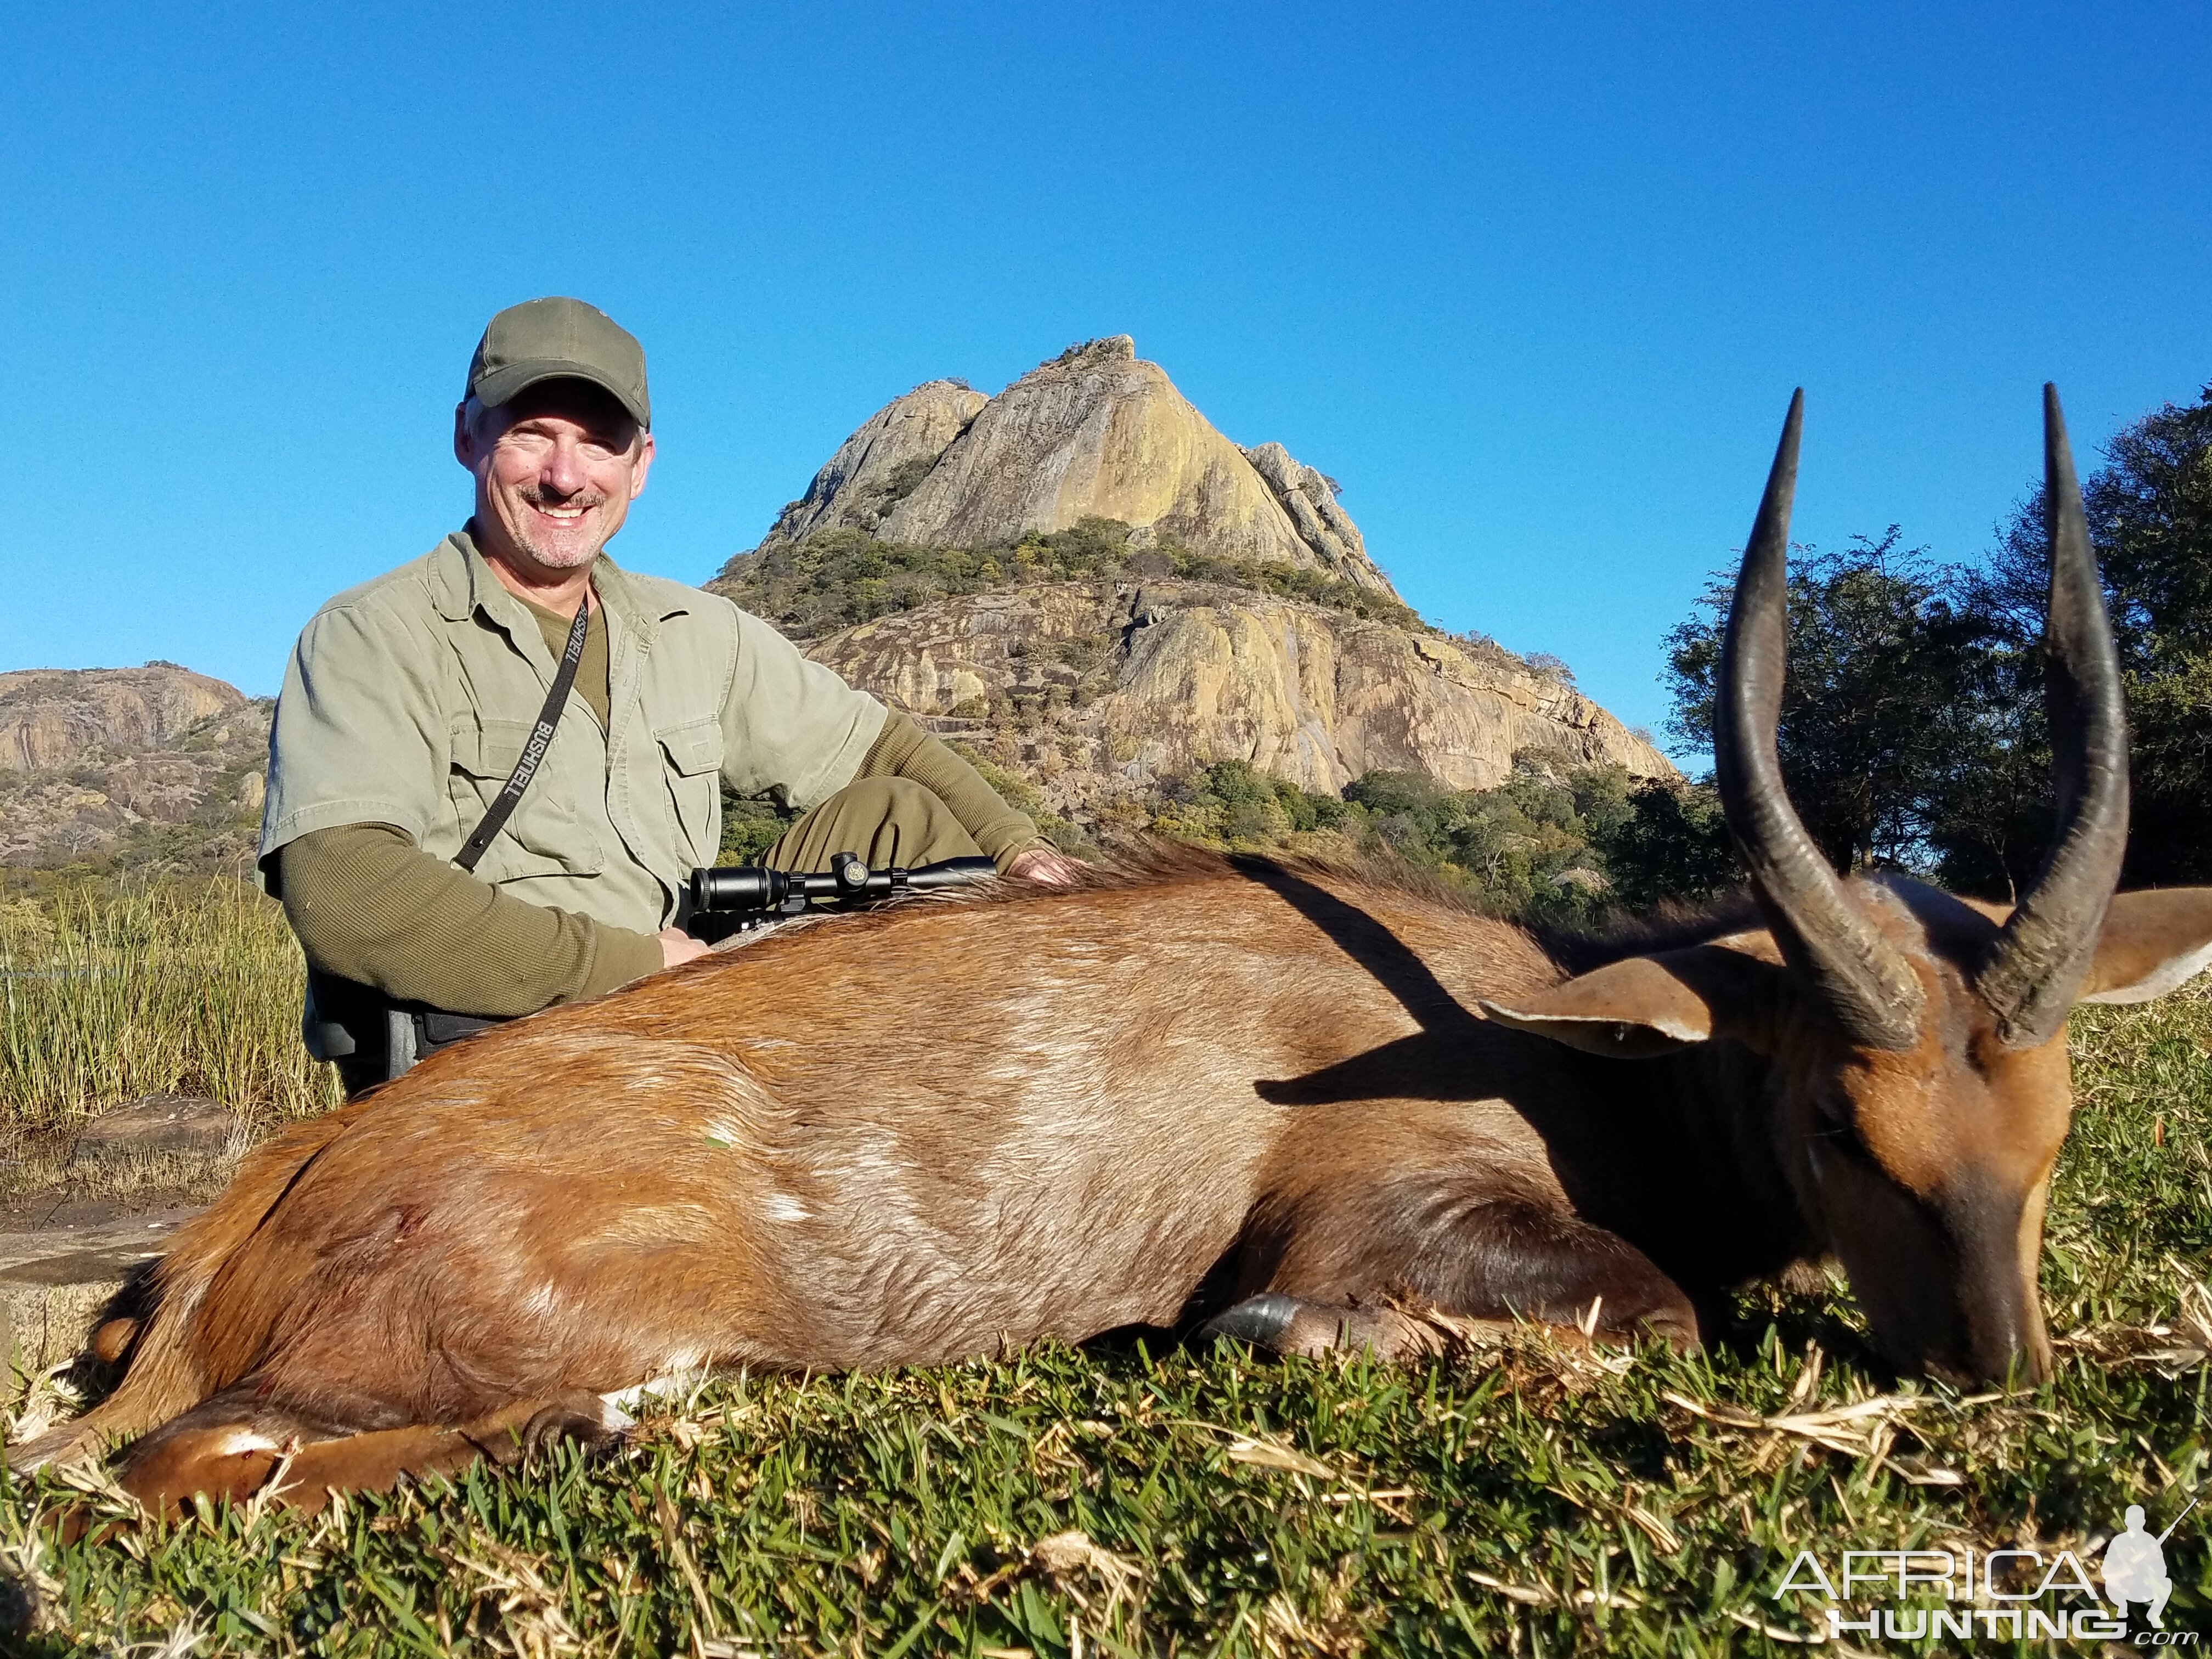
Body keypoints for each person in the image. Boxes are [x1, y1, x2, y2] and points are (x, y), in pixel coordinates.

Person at [261, 297, 1078, 1095]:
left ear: (640, 465)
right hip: (495, 1047)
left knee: (904, 817)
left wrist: (1019, 853)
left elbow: (883, 748)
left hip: (680, 1006)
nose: (564, 476)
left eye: (598, 444)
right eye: (531, 435)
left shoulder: (696, 630)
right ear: (467, 436)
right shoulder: (374, 633)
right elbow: (346, 890)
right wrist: (639, 968)